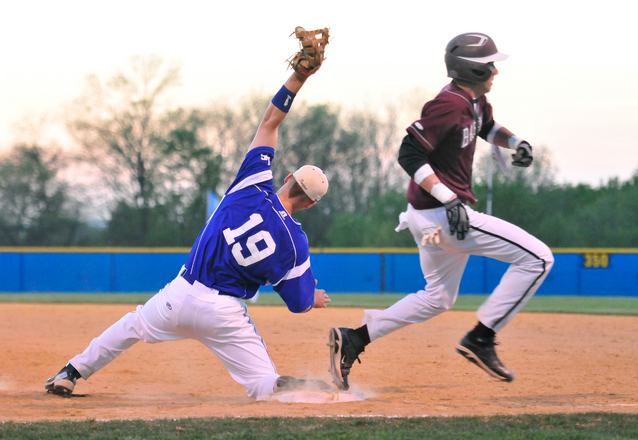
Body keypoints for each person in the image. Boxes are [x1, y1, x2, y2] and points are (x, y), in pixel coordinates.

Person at [45, 50, 332, 399]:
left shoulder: (252, 183)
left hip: (180, 296)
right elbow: (297, 303)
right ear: (312, 204)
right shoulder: (294, 240)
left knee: (134, 324)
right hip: (225, 314)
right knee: (261, 385)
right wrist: (312, 298)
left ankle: (71, 371)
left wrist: (299, 78)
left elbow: (269, 123)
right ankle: (275, 385)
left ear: (287, 177)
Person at [329, 32, 554, 390]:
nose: (495, 70)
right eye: (488, 65)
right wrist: (449, 199)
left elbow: (487, 128)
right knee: (539, 259)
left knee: (438, 298)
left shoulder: (475, 101)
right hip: (443, 214)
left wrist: (515, 143)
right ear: (472, 70)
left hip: (429, 216)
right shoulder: (447, 104)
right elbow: (409, 154)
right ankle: (481, 338)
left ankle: (355, 338)